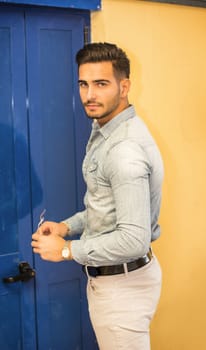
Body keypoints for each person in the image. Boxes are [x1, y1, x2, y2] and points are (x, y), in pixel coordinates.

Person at [31, 42, 163, 350]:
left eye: (101, 84)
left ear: (124, 85)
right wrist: (66, 226)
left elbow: (134, 239)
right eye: (83, 84)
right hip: (122, 280)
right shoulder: (108, 130)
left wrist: (66, 250)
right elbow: (105, 206)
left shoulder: (123, 150)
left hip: (122, 287)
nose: (89, 95)